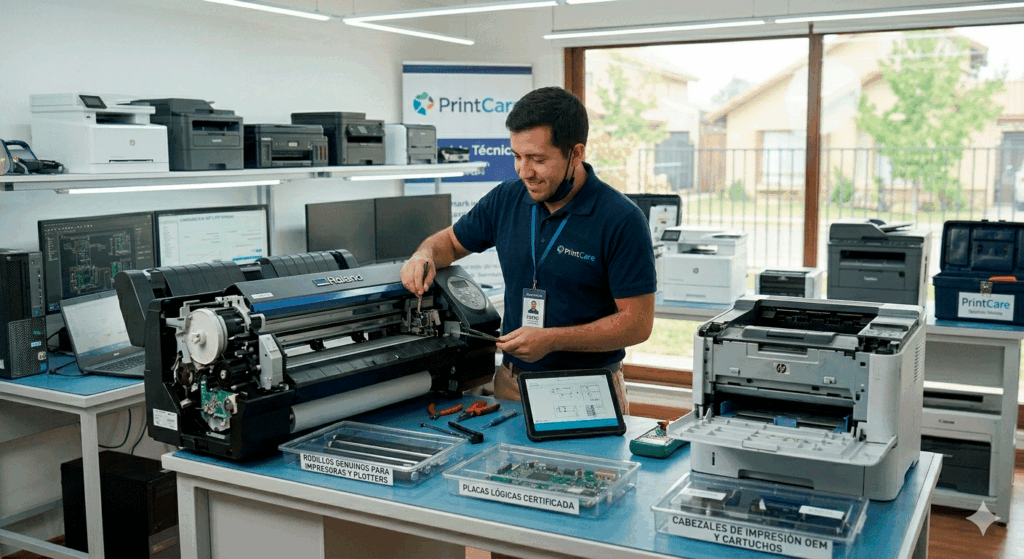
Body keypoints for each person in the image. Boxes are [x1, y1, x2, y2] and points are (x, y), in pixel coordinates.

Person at [400, 86, 656, 414]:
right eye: (517, 157)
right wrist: (423, 255)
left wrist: (553, 339)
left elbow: (638, 323)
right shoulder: (506, 199)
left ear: (576, 154)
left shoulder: (621, 219)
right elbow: (448, 243)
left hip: (587, 391)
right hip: (513, 384)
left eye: (537, 159)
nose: (524, 171)